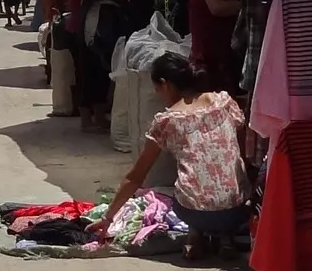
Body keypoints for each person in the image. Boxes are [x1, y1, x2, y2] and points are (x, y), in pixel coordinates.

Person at [101, 53, 248, 254]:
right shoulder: (223, 101)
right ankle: (225, 237)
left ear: (165, 84)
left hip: (194, 213)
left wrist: (108, 218)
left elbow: (135, 177)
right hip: (237, 211)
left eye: (157, 89)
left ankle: (196, 233)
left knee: (174, 190)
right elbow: (236, 149)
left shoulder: (167, 121)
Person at [66, 0, 128, 132]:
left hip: (99, 32)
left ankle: (100, 117)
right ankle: (86, 119)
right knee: (85, 75)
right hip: (81, 31)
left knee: (101, 74)